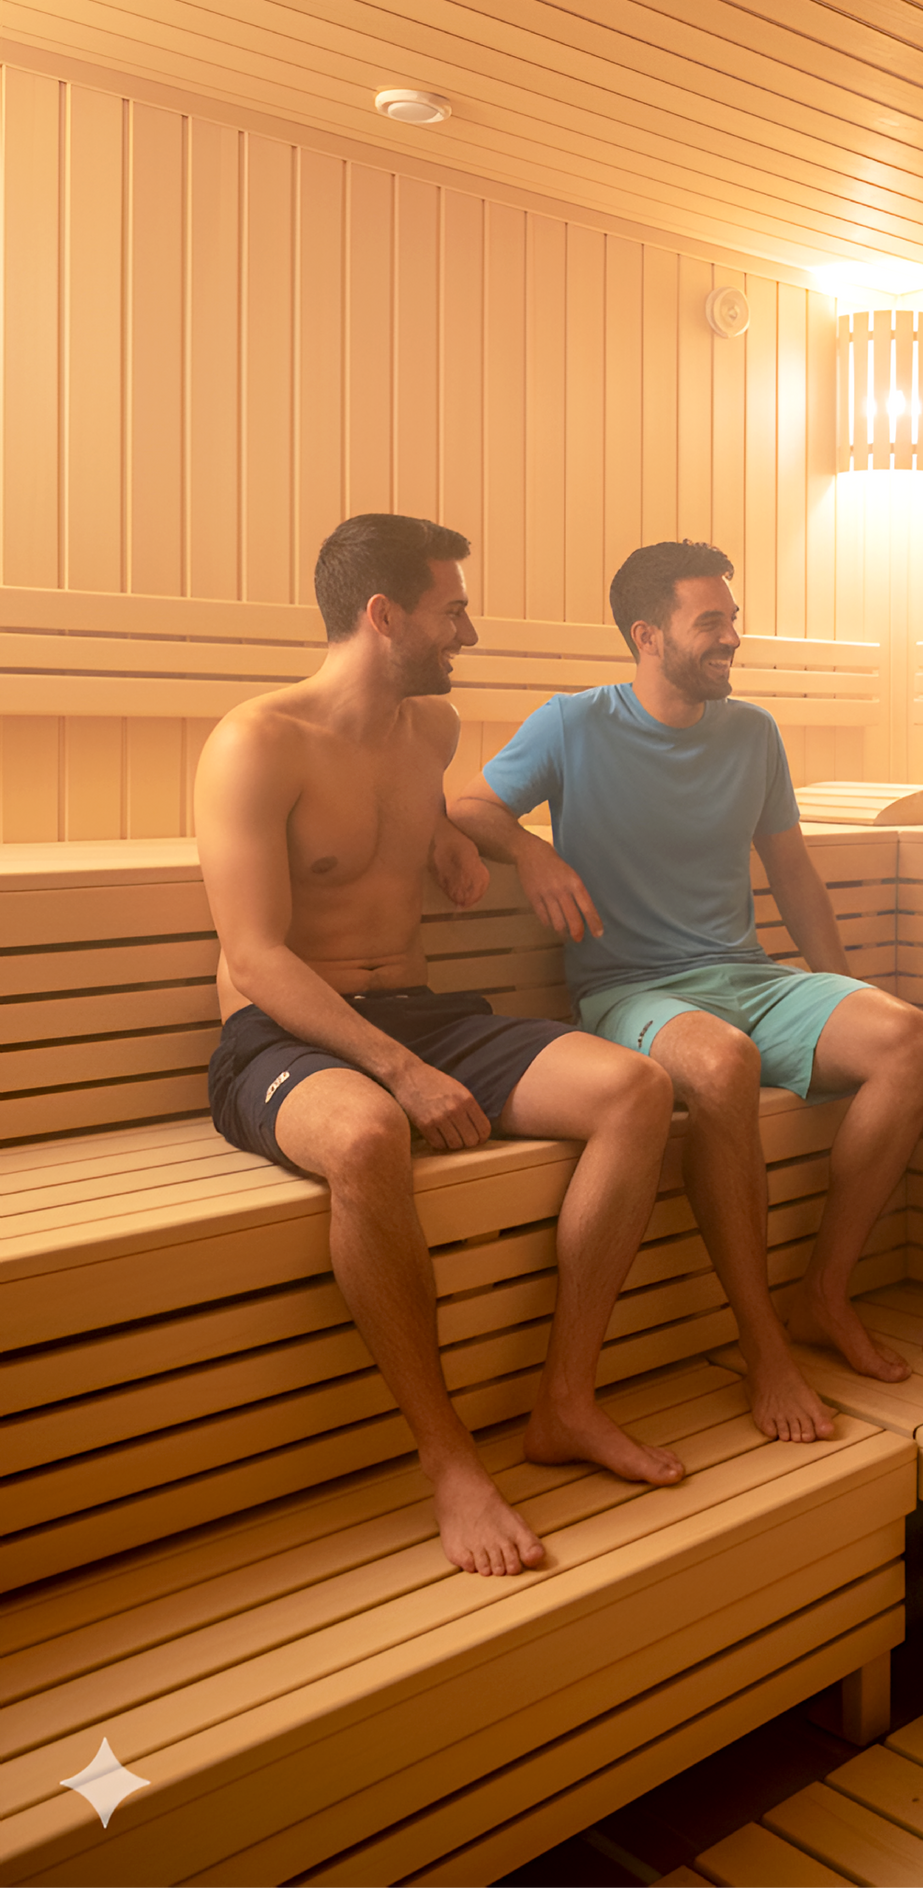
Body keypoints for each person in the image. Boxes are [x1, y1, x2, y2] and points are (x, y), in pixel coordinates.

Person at [194, 513, 683, 1580]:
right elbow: (260, 955)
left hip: (418, 1005)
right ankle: (449, 1460)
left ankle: (565, 1400)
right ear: (383, 616)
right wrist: (401, 1070)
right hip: (282, 1032)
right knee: (369, 1139)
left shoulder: (434, 731)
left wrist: (452, 843)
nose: (468, 628)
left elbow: (402, 828)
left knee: (636, 1090)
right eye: (450, 607)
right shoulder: (256, 742)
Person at [451, 540, 923, 1445]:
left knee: (912, 1041)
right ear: (648, 635)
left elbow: (790, 869)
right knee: (723, 1064)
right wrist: (532, 850)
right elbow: (469, 807)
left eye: (732, 619)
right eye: (710, 622)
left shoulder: (751, 733)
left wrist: (841, 984)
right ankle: (762, 1343)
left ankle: (822, 1294)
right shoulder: (572, 726)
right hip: (630, 990)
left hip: (748, 976)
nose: (731, 639)